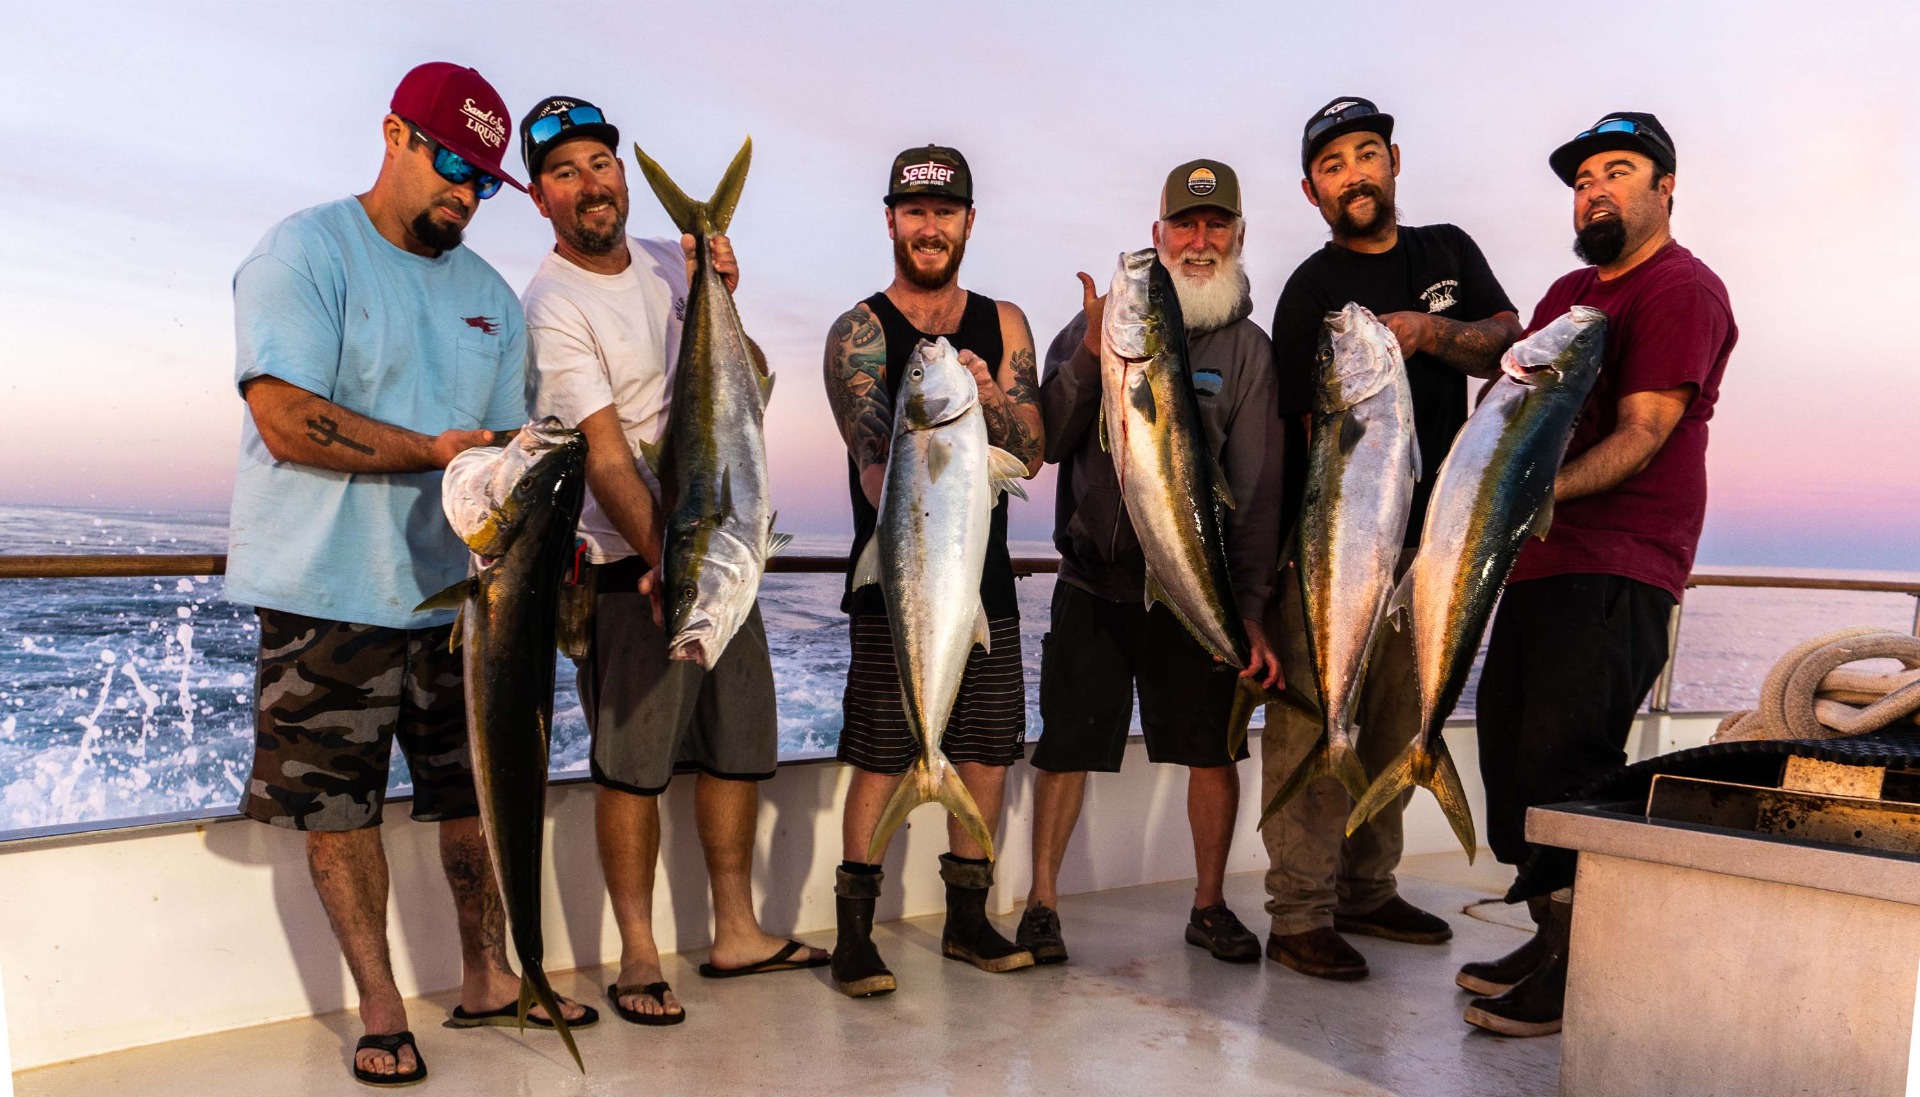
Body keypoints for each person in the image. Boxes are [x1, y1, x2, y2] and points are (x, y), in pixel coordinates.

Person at [224, 62, 593, 1088]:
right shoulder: (305, 251)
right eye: (450, 165)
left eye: (483, 179)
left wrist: (558, 540)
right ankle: (382, 1006)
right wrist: (432, 451)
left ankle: (489, 976)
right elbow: (284, 417)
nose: (465, 194)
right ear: (393, 134)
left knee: (471, 794)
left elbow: (517, 452)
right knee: (338, 809)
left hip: (465, 602)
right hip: (323, 593)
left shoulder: (488, 298)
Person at [517, 96, 829, 1026]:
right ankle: (639, 955)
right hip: (634, 569)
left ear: (620, 173)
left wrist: (723, 285)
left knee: (737, 751)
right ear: (541, 199)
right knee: (633, 767)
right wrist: (676, 565)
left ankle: (736, 932)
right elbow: (608, 456)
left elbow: (753, 388)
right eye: (563, 173)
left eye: (599, 164)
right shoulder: (552, 305)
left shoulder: (671, 262)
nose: (590, 184)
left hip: (719, 555)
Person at [1463, 112, 1737, 1037]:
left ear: (1666, 189)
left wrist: (1533, 502)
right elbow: (1514, 404)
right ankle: (1551, 935)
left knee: (1567, 767)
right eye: (1583, 180)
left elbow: (1643, 433)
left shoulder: (1680, 289)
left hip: (1620, 563)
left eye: (1619, 172)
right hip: (1536, 569)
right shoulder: (1569, 290)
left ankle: (1581, 965)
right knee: (1507, 759)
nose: (1596, 192)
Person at [1262, 97, 1522, 981]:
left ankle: (1368, 888)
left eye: (1366, 155)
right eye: (1333, 167)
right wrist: (1290, 566)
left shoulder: (1447, 251)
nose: (1354, 176)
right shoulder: (1308, 291)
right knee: (1312, 725)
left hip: (1435, 548)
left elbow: (1506, 343)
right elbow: (1299, 434)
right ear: (1311, 190)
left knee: (1398, 722)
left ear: (1395, 162)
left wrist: (1427, 332)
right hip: (1333, 550)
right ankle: (1300, 911)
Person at [1021, 159, 1283, 966]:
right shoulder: (1094, 323)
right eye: (1184, 225)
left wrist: (1248, 611)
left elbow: (1258, 489)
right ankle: (1041, 905)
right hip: (1093, 583)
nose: (1198, 242)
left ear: (1238, 235)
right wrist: (1087, 355)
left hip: (1190, 590)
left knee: (1212, 749)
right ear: (1157, 231)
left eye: (1215, 227)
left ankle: (1209, 905)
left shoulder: (1247, 350)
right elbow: (1045, 443)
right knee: (1066, 746)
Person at [822, 145, 1044, 997]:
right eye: (914, 212)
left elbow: (1028, 455)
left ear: (967, 222)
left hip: (982, 585)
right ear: (890, 221)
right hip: (900, 583)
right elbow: (880, 469)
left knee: (986, 755)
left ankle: (965, 922)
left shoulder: (1006, 323)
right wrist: (940, 422)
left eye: (945, 211)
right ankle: (854, 934)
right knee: (881, 756)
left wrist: (985, 399)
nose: (929, 226)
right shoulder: (862, 331)